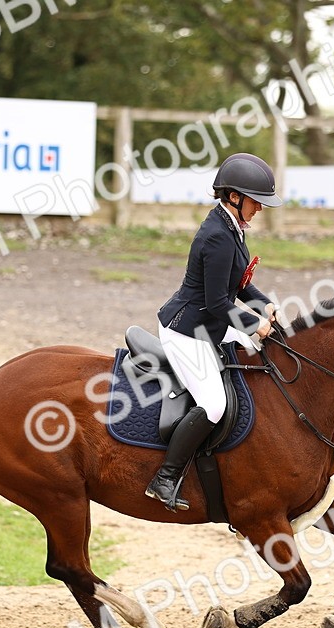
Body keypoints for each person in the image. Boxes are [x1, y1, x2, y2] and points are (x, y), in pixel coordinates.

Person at [145, 153, 281, 512]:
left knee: (259, 360)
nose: (260, 209)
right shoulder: (217, 235)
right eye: (257, 201)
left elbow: (239, 284)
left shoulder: (232, 227)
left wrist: (264, 304)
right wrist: (255, 326)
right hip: (187, 330)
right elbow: (219, 302)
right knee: (214, 404)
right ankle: (165, 479)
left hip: (211, 323)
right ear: (235, 197)